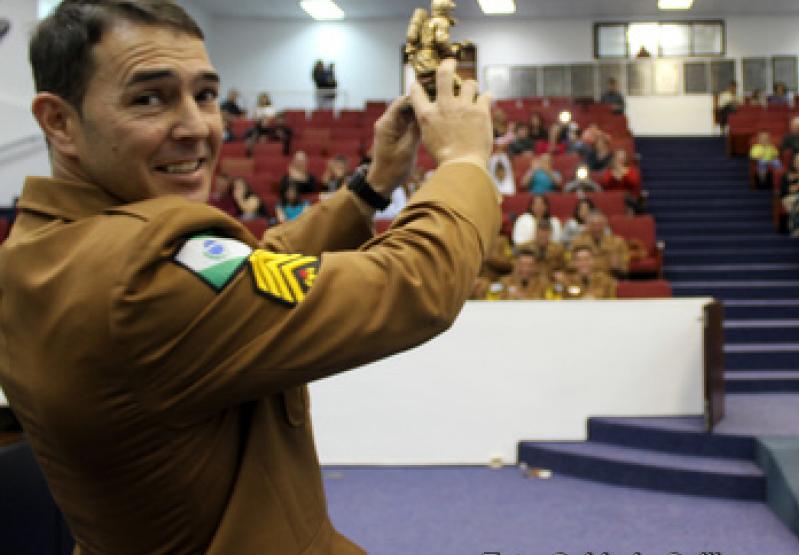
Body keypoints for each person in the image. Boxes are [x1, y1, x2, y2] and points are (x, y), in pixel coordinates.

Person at [1, 3, 497, 553]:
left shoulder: (46, 248)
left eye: (206, 95)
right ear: (58, 122)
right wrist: (464, 162)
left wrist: (371, 187)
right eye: (149, 98)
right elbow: (411, 286)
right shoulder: (138, 274)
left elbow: (253, 271)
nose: (196, 127)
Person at [573, 212, 629, 277]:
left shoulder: (618, 242)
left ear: (605, 225)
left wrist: (617, 267)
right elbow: (570, 265)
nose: (596, 228)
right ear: (587, 225)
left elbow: (625, 268)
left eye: (599, 224)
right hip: (585, 280)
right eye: (593, 225)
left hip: (610, 279)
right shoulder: (578, 242)